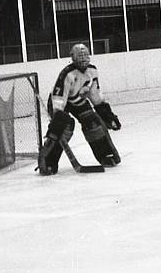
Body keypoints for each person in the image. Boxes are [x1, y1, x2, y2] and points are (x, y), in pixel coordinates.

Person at [38, 43, 122, 175]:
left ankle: (105, 155)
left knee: (93, 122)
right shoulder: (67, 73)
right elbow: (59, 97)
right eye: (79, 55)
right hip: (60, 103)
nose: (83, 58)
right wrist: (57, 119)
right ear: (72, 57)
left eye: (85, 55)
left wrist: (107, 115)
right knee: (64, 126)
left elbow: (95, 95)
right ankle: (48, 162)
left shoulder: (93, 71)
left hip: (78, 101)